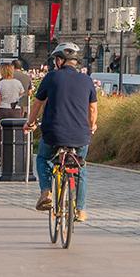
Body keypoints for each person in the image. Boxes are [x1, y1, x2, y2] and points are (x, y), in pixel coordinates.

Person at [27, 42, 98, 222]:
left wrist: (30, 122)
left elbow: (37, 104)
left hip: (54, 133)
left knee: (43, 158)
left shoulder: (51, 77)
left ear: (59, 61)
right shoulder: (87, 80)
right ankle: (80, 210)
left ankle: (46, 192)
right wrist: (92, 126)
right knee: (80, 167)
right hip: (80, 135)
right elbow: (93, 110)